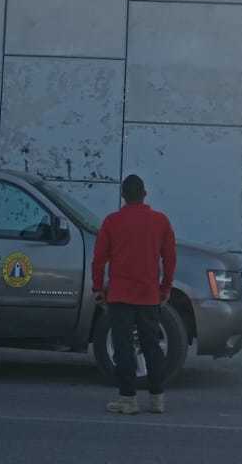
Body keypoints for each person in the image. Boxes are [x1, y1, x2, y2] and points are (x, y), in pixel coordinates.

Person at [92, 174, 177, 415]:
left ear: (123, 195)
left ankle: (128, 399)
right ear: (144, 194)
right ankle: (157, 399)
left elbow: (99, 259)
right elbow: (170, 258)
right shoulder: (160, 221)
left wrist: (98, 288)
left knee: (123, 347)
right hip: (148, 295)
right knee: (152, 346)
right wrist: (165, 287)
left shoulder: (111, 222)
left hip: (120, 296)